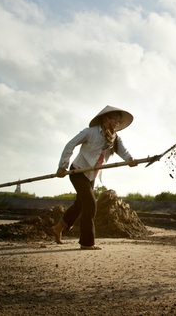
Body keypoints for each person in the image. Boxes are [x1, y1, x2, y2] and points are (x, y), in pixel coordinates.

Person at [52, 105, 137, 250]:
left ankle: (59, 227)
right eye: (115, 119)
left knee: (80, 204)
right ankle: (86, 242)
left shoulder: (115, 138)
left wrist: (130, 160)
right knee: (90, 204)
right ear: (106, 119)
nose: (117, 123)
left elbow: (124, 151)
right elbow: (70, 145)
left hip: (91, 175)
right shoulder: (90, 133)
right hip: (78, 172)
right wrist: (62, 166)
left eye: (119, 121)